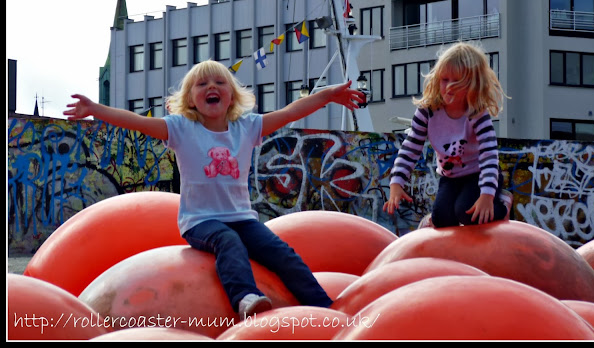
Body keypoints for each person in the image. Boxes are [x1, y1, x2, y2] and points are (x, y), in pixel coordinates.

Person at [64, 59, 365, 318]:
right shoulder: (181, 129)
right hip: (200, 221)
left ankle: (326, 306)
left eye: (220, 82)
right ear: (190, 99)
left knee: (281, 252)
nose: (211, 86)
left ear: (232, 97)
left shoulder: (247, 128)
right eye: (202, 84)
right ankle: (245, 298)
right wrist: (96, 109)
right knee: (227, 241)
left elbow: (290, 112)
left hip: (243, 217)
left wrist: (327, 95)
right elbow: (136, 122)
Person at [383, 42, 512, 228]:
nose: (449, 87)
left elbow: (489, 156)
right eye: (445, 79)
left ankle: (502, 204)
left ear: (472, 85)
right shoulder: (427, 111)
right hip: (450, 177)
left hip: (479, 175)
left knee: (468, 213)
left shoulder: (476, 114)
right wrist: (396, 182)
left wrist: (487, 195)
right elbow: (410, 148)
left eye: (457, 82)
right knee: (442, 220)